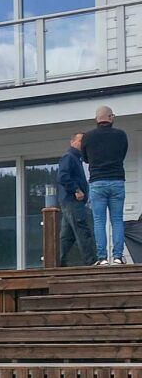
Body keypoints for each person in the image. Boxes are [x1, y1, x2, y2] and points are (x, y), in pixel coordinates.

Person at [81, 105, 129, 265]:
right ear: (111, 117)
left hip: (97, 182)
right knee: (117, 219)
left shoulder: (88, 137)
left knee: (99, 221)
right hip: (116, 181)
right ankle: (117, 257)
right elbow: (122, 154)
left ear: (97, 119)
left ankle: (102, 258)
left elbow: (86, 158)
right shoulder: (121, 135)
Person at [57, 132, 96, 266]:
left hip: (69, 201)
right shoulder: (69, 157)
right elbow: (62, 177)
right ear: (72, 142)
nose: (82, 144)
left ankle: (58, 262)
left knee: (67, 236)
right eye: (80, 141)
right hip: (72, 200)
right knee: (82, 230)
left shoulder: (78, 159)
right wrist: (76, 190)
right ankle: (91, 261)